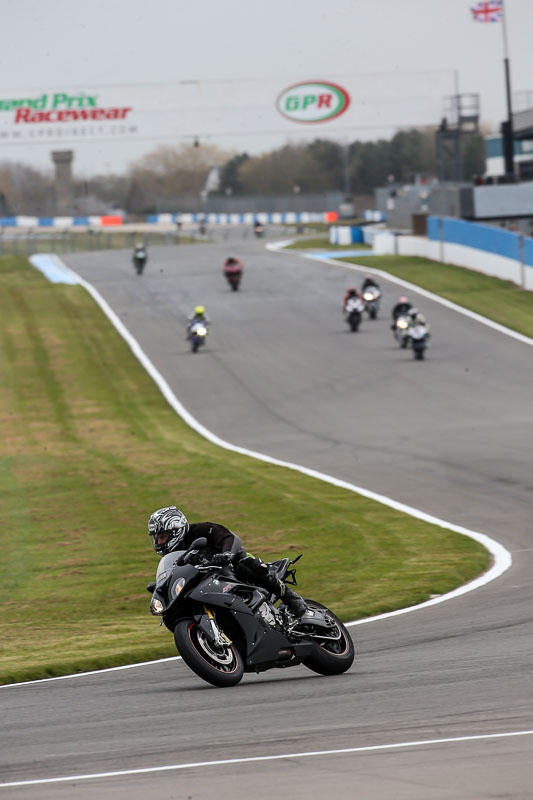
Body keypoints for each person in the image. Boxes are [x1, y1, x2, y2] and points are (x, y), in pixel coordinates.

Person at [147, 506, 308, 618]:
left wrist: (227, 554)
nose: (159, 542)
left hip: (231, 566)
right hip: (209, 581)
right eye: (156, 537)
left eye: (162, 536)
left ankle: (291, 598)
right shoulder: (172, 556)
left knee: (245, 564)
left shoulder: (201, 530)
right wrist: (161, 586)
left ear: (176, 530)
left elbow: (230, 537)